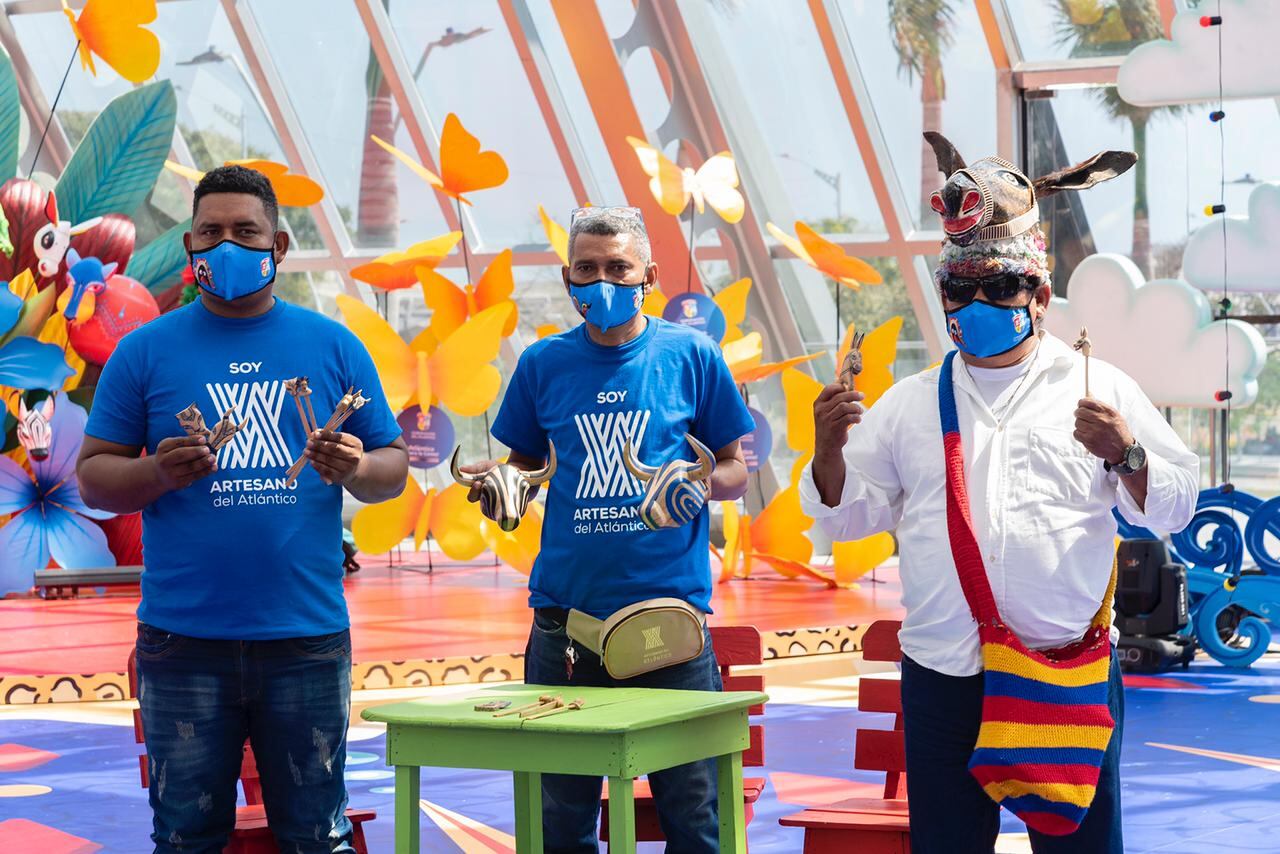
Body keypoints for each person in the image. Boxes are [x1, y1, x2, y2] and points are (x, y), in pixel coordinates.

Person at [801, 136, 1199, 854]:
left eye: (1001, 286)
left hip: (1066, 670)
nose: (978, 302)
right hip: (944, 678)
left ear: (1040, 295)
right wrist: (827, 449)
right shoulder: (906, 404)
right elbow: (845, 513)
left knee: (1081, 848)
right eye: (961, 288)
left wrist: (1128, 454)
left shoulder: (1099, 387)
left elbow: (1175, 503)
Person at [76, 165, 409, 853]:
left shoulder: (334, 346)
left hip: (306, 638)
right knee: (186, 837)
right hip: (183, 640)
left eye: (245, 231)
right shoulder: (144, 351)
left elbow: (392, 470)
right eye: (211, 233)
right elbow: (94, 480)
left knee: (317, 836)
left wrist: (358, 466)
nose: (227, 246)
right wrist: (155, 472)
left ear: (279, 246)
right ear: (192, 248)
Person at [460, 206, 755, 852]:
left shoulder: (692, 357)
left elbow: (736, 468)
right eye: (587, 270)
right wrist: (500, 493)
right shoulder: (541, 366)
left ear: (648, 275)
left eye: (618, 268)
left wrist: (698, 483)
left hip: (669, 629)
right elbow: (523, 474)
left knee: (693, 821)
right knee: (561, 825)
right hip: (566, 632)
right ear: (567, 279)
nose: (603, 282)